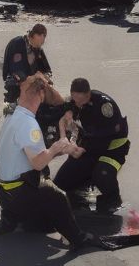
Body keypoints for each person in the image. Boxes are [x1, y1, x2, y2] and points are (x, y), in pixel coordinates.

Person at [0, 75, 112, 251]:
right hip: (18, 192)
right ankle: (78, 239)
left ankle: (9, 219)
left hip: (2, 188)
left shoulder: (13, 116)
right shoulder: (29, 124)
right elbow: (38, 163)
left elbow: (26, 154)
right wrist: (56, 148)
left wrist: (61, 150)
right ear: (40, 95)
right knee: (57, 196)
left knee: (39, 189)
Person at [54, 79, 129, 214]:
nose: (78, 104)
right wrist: (70, 112)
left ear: (88, 94)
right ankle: (84, 185)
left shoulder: (104, 105)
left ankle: (113, 199)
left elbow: (110, 132)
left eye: (80, 101)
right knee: (61, 181)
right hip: (89, 145)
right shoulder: (76, 100)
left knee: (101, 173)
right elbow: (69, 106)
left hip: (112, 149)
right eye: (75, 99)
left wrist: (84, 146)